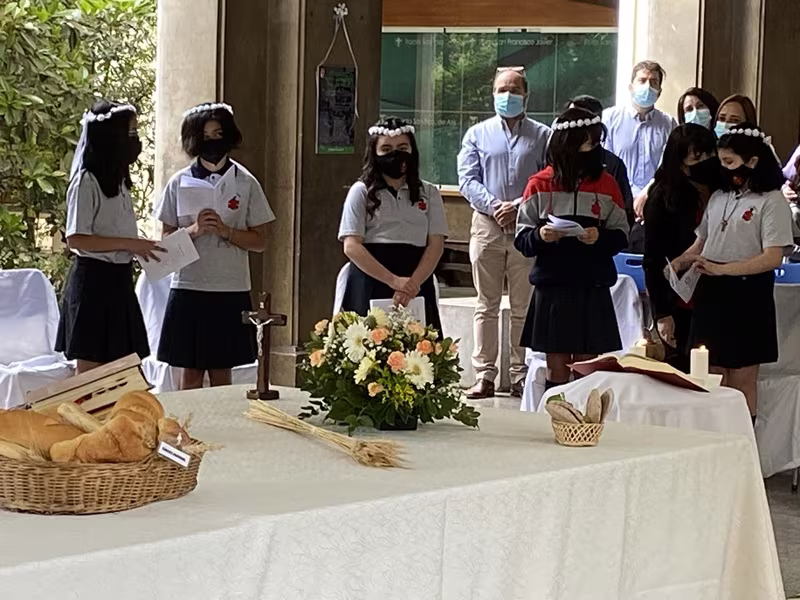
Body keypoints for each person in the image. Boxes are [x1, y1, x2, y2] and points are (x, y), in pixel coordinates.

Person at [674, 124, 793, 420]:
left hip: (748, 295)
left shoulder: (771, 200)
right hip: (712, 292)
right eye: (722, 162)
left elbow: (772, 257)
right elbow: (702, 241)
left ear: (752, 161)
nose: (724, 169)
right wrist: (681, 261)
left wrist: (724, 269)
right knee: (710, 373)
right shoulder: (720, 196)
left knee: (742, 377)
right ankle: (713, 433)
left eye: (730, 162)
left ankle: (743, 436)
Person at [155, 102, 275, 390]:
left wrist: (226, 231)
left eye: (218, 134)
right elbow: (164, 247)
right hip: (189, 286)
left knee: (222, 372)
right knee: (190, 372)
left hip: (230, 287)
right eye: (205, 136)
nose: (212, 142)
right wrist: (194, 230)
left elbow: (260, 241)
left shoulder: (246, 182)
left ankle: (222, 422)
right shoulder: (178, 182)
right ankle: (187, 421)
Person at [515, 107, 629, 390]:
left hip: (592, 285)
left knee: (588, 367)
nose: (593, 149)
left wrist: (599, 237)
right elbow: (522, 239)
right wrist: (540, 235)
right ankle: (554, 411)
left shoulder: (607, 184)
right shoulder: (539, 184)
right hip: (553, 287)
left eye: (596, 142)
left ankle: (585, 414)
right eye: (587, 142)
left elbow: (621, 235)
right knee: (556, 366)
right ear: (567, 144)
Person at [457, 67, 551, 399]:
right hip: (487, 226)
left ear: (526, 95)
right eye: (501, 90)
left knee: (523, 306)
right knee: (487, 305)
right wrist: (496, 206)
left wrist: (517, 206)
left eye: (514, 90)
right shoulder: (477, 134)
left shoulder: (543, 136)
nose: (507, 96)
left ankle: (520, 374)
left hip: (526, 227)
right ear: (493, 94)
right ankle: (484, 375)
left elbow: (549, 178)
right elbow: (467, 179)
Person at [56, 100, 162, 374]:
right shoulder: (86, 181)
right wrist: (130, 244)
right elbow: (76, 239)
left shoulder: (120, 180)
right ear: (111, 136)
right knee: (91, 375)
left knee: (127, 370)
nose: (135, 139)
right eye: (130, 132)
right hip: (94, 282)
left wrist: (139, 247)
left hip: (119, 280)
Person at [338, 117, 448, 333]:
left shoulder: (429, 192)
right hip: (370, 278)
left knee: (419, 346)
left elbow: (436, 244)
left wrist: (411, 284)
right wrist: (394, 281)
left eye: (402, 148)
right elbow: (351, 246)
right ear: (374, 153)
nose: (395, 154)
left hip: (416, 280)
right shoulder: (360, 191)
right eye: (386, 149)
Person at [643, 124, 719, 372]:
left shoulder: (721, 190)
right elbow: (653, 259)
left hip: (715, 291)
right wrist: (662, 313)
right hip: (679, 296)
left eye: (709, 154)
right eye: (697, 157)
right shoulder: (662, 197)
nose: (705, 162)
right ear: (680, 161)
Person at [602, 60, 677, 200]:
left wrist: (647, 194)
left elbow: (669, 165)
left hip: (656, 200)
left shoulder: (669, 124)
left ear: (659, 91)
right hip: (617, 198)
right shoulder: (609, 119)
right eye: (642, 80)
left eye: (654, 82)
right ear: (631, 87)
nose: (648, 86)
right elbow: (606, 163)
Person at [567, 95, 634, 227]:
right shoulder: (557, 162)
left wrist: (602, 235)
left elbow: (625, 215)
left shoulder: (613, 165)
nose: (567, 125)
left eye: (574, 120)